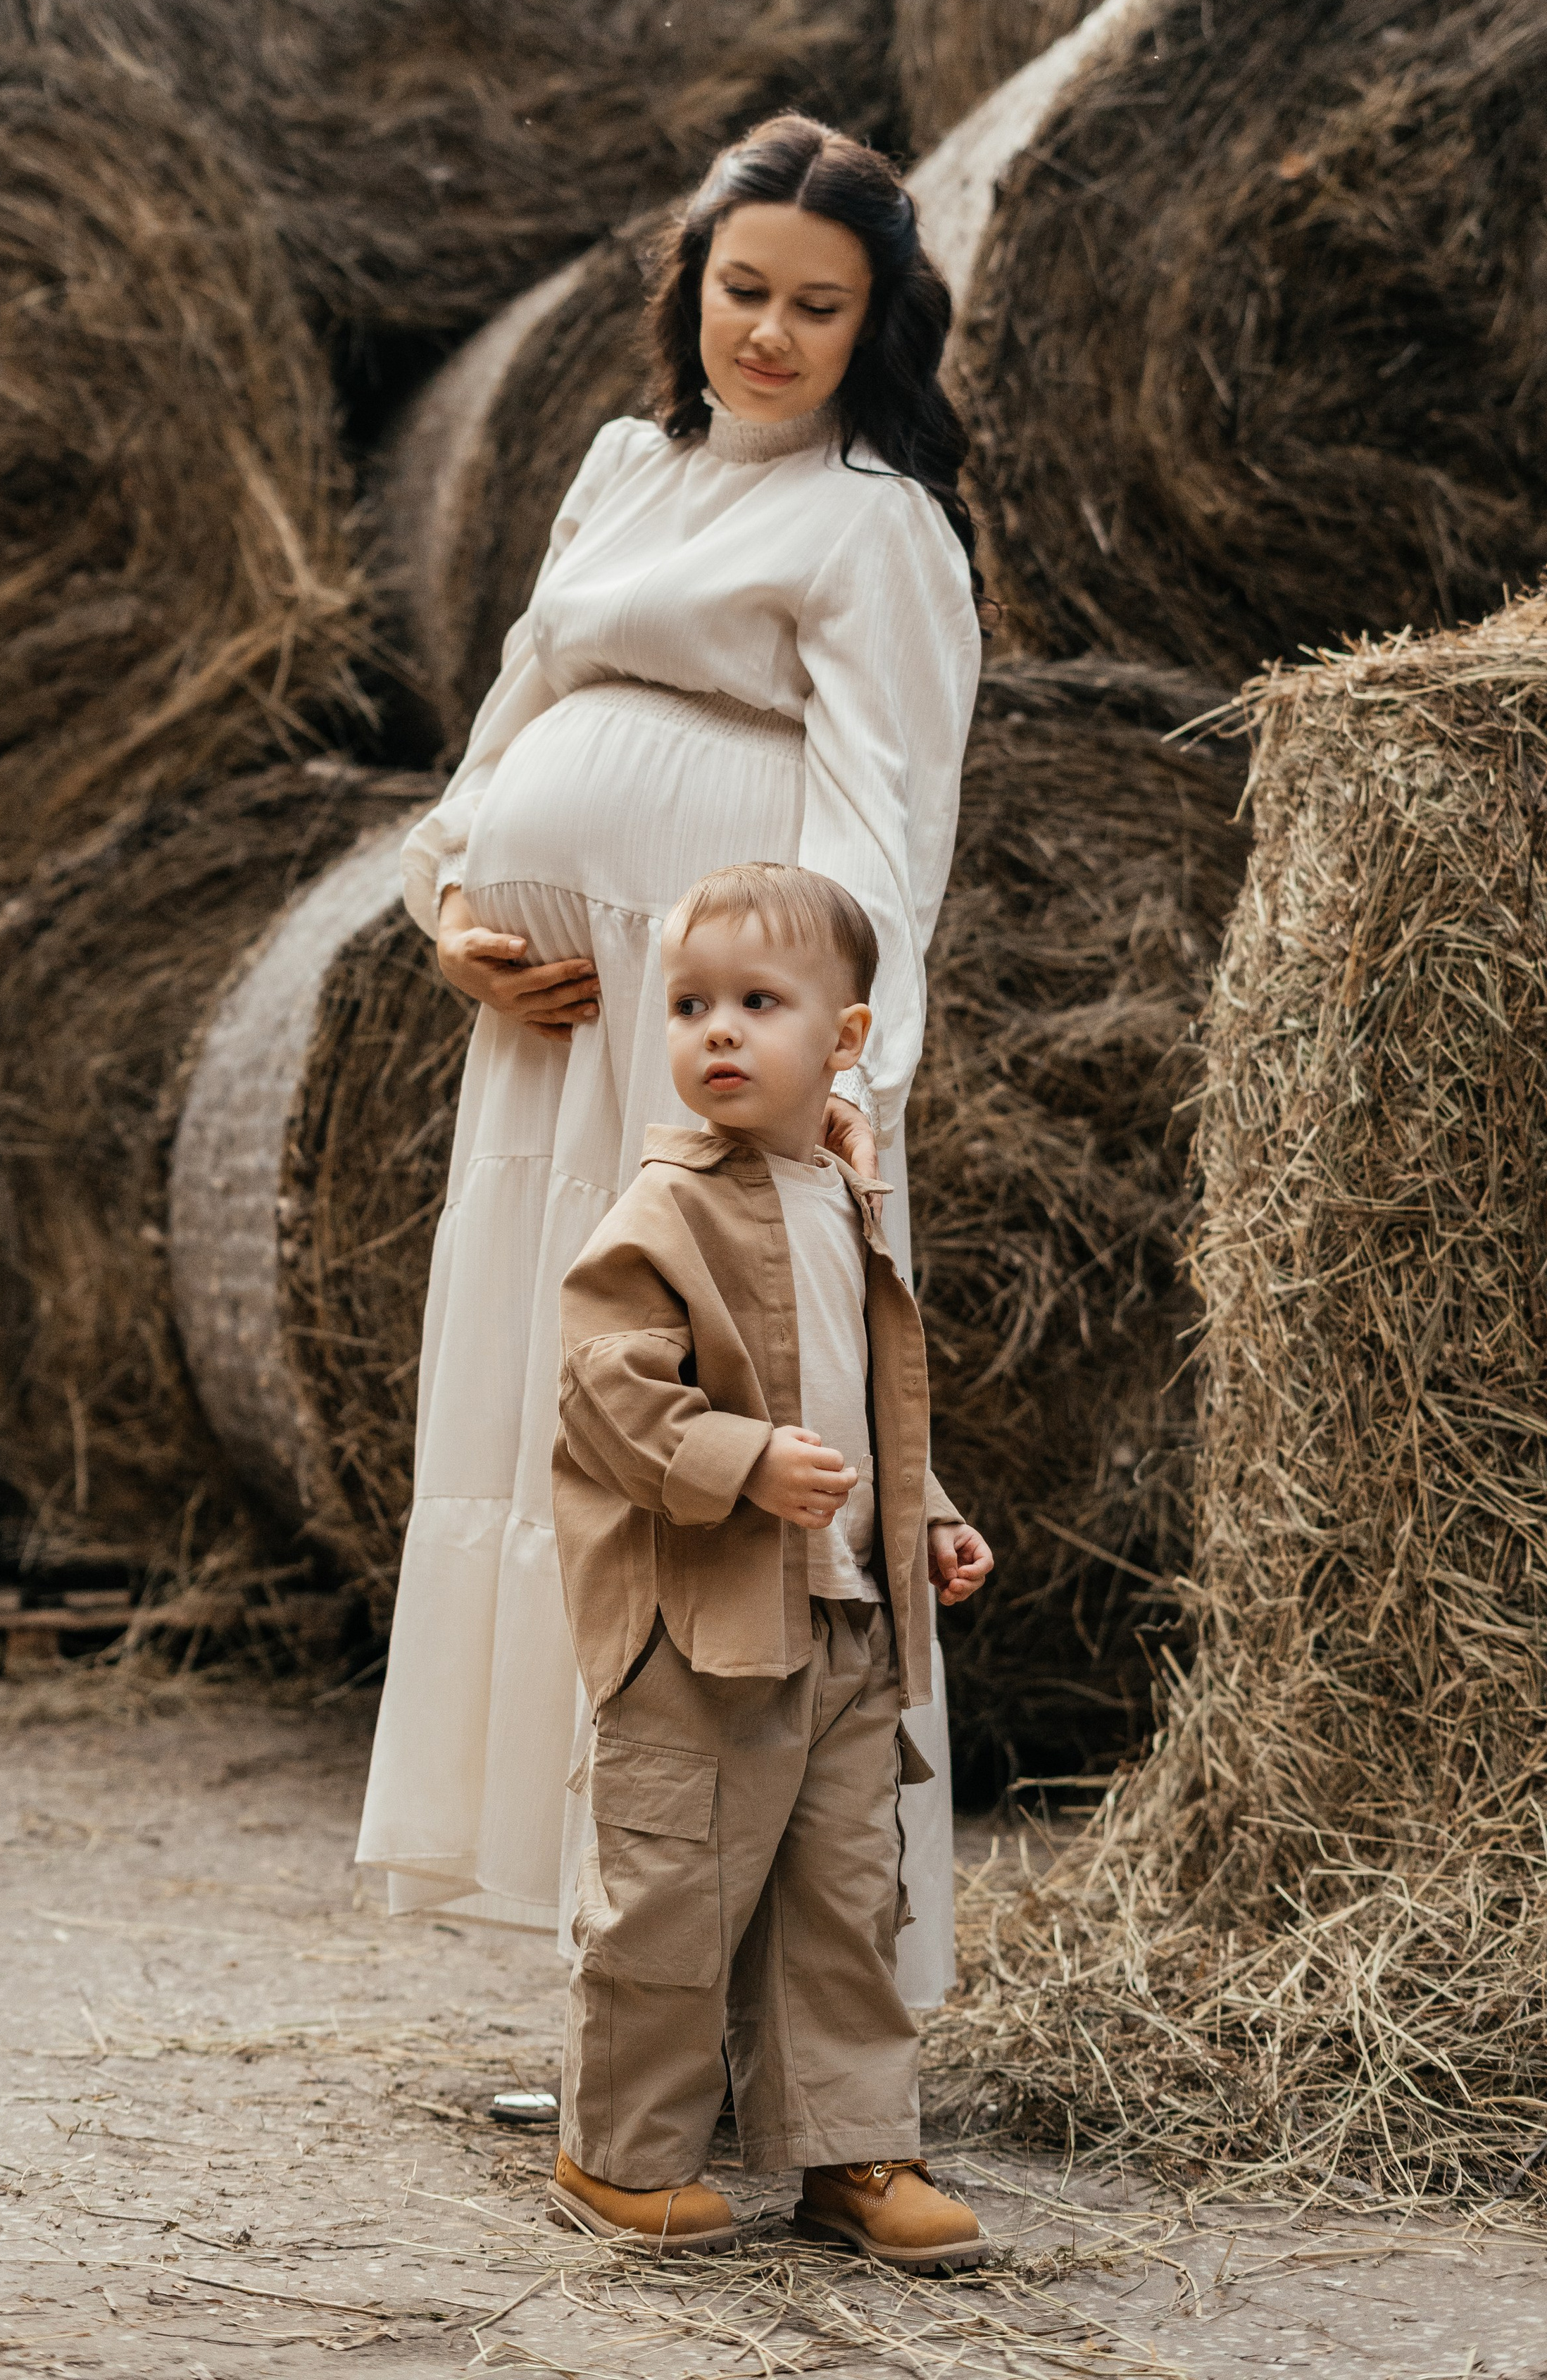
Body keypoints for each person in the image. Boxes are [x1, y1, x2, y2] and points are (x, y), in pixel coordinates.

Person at [355, 113, 985, 2004]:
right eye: (742, 292)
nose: (770, 337)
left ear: (874, 325)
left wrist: (841, 1093)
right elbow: (515, 710)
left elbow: (893, 826)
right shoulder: (627, 464)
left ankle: (770, 1995)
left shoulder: (880, 523)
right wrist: (451, 906)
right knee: (569, 1435)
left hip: (712, 1044)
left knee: (719, 1471)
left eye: (816, 307)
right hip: (554, 1046)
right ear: (690, 286)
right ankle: (614, 1969)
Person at [549, 862, 994, 2264]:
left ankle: (849, 2154)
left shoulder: (839, 1202)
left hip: (848, 1626)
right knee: (674, 1896)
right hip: (703, 1624)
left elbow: (866, 1401)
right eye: (689, 1006)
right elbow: (602, 1394)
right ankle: (616, 2155)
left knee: (841, 1902)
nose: (716, 1033)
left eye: (756, 1003)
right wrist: (740, 1459)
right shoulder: (662, 1212)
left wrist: (922, 1513)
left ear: (843, 1043)